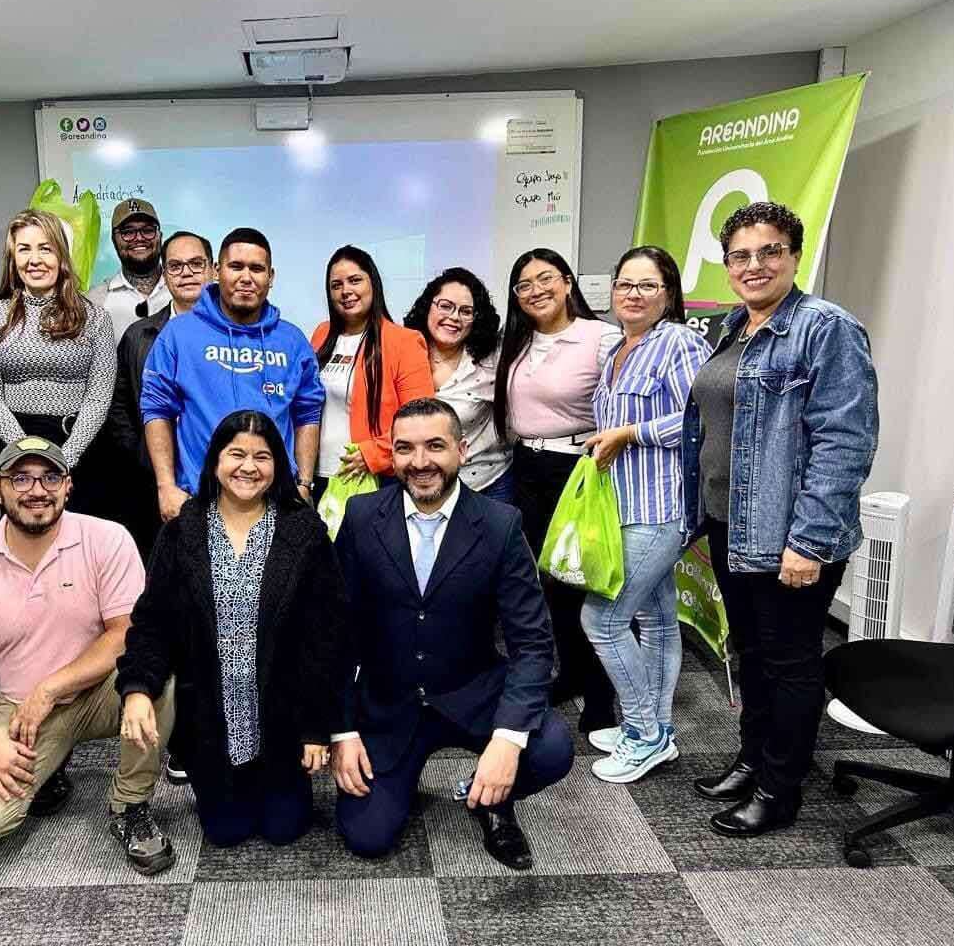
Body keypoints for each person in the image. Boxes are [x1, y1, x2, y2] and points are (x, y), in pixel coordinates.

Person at [683, 202, 878, 837]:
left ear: (795, 255)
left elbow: (844, 442)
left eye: (770, 251)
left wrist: (810, 541)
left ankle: (780, 785)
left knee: (791, 660)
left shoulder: (825, 328)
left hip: (789, 535)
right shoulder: (729, 327)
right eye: (740, 255)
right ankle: (752, 759)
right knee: (751, 653)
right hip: (729, 522)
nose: (754, 265)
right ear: (726, 264)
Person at [333, 398, 574, 870]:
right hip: (390, 701)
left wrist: (507, 741)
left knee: (549, 748)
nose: (420, 462)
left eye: (435, 447)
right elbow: (336, 632)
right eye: (405, 449)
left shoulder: (501, 525)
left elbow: (532, 643)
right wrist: (343, 729)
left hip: (472, 691)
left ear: (462, 451)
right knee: (367, 836)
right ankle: (407, 778)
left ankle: (490, 800)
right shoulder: (362, 518)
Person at [0, 436, 177, 874]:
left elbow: (127, 633)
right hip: (18, 709)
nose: (36, 490)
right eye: (20, 478)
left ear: (68, 486)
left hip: (100, 689)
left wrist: (51, 687)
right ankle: (49, 766)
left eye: (49, 477)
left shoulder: (107, 539)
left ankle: (130, 804)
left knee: (158, 675)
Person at [118, 411, 348, 847]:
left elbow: (327, 636)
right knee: (227, 832)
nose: (249, 467)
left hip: (283, 721)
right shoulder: (182, 531)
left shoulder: (305, 532)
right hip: (209, 723)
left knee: (285, 830)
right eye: (236, 454)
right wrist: (136, 689)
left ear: (278, 465)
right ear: (215, 462)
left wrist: (317, 729)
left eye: (262, 456)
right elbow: (152, 622)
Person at [578, 246, 711, 783]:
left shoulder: (679, 343)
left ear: (669, 294)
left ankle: (643, 732)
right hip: (623, 506)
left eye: (646, 286)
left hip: (661, 508)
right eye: (624, 284)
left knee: (602, 619)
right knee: (655, 619)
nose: (632, 295)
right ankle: (658, 727)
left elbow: (699, 422)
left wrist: (631, 433)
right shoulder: (616, 348)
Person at [492, 248, 622, 732]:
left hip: (578, 469)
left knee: (585, 583)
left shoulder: (601, 336)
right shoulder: (516, 341)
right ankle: (570, 674)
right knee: (550, 583)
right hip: (526, 467)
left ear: (567, 282)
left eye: (545, 278)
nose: (535, 291)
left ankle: (600, 697)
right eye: (523, 285)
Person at [140, 227, 325, 522]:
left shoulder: (292, 341)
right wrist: (166, 486)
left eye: (257, 268)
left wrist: (302, 484)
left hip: (276, 502)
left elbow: (307, 414)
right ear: (217, 271)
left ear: (271, 276)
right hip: (199, 501)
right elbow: (156, 410)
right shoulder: (178, 334)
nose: (246, 278)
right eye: (236, 266)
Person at [0, 209, 116, 518]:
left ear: (61, 256)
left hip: (80, 445)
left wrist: (67, 455)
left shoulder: (96, 318)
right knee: (26, 546)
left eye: (45, 248)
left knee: (81, 549)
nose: (34, 259)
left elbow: (100, 395)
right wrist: (26, 453)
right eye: (24, 249)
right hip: (15, 444)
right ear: (13, 259)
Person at [107, 230, 215, 560]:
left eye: (196, 264)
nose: (186, 273)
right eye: (176, 266)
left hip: (222, 477)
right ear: (164, 275)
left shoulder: (237, 334)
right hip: (155, 483)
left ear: (213, 269)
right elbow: (120, 406)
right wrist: (143, 455)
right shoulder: (140, 335)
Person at [309, 246, 434, 500]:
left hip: (374, 478)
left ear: (373, 284)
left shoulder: (403, 341)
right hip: (320, 474)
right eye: (336, 285)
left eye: (355, 280)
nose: (346, 291)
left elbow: (421, 419)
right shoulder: (322, 335)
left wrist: (373, 454)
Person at [403, 267, 511, 502]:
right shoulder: (403, 351)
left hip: (484, 483)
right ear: (427, 307)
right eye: (445, 306)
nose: (454, 317)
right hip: (417, 482)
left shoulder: (491, 360)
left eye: (466, 311)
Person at [85, 198, 171, 344]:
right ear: (114, 240)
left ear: (160, 236)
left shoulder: (185, 291)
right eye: (128, 232)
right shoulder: (94, 303)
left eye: (148, 230)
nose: (139, 238)